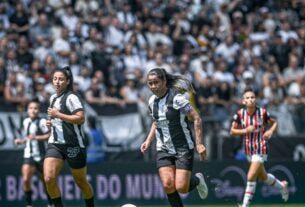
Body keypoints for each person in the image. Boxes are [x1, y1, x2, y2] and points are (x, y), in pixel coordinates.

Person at [140, 68, 208, 207]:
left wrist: (199, 144)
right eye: (150, 83)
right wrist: (148, 140)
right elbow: (156, 121)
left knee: (181, 187)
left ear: (164, 81)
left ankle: (197, 180)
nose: (153, 86)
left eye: (156, 82)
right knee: (168, 184)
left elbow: (196, 118)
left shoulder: (177, 98)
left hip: (182, 147)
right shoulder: (151, 101)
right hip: (163, 148)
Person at [44, 66, 94, 207]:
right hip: (55, 143)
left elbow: (80, 118)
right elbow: (57, 119)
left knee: (81, 182)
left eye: (61, 79)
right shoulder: (53, 98)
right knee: (48, 178)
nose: (57, 82)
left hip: (74, 144)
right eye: (55, 79)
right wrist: (51, 123)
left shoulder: (72, 97)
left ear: (67, 81)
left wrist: (58, 115)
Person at [230, 88, 289, 207]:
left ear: (256, 99)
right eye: (247, 98)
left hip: (260, 148)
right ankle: (282, 186)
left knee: (251, 175)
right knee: (263, 177)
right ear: (243, 101)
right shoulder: (240, 114)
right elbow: (232, 131)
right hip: (248, 150)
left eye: (252, 97)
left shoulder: (262, 113)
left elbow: (274, 123)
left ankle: (244, 205)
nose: (250, 99)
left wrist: (271, 131)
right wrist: (245, 130)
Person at [14, 98, 53, 207]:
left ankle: (50, 204)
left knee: (47, 181)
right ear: (27, 110)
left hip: (41, 156)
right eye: (31, 108)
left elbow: (49, 135)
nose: (33, 110)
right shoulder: (25, 121)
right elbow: (28, 137)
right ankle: (29, 204)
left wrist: (36, 137)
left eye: (35, 108)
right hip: (29, 155)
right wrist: (21, 141)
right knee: (26, 180)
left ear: (39, 110)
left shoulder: (42, 122)